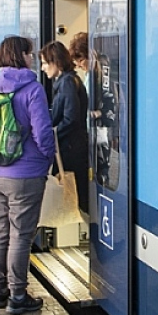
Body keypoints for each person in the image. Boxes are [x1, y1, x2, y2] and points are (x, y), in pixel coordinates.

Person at [0, 36, 55, 315]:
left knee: (0, 231)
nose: (32, 58)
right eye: (29, 53)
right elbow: (42, 132)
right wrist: (46, 158)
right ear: (22, 56)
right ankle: (18, 295)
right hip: (26, 174)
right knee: (21, 235)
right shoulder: (33, 89)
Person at [39, 41, 89, 212]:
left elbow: (71, 118)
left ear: (56, 61)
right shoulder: (65, 81)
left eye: (45, 63)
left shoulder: (67, 82)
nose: (43, 68)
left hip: (71, 148)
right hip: (71, 146)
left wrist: (51, 136)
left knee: (76, 196)